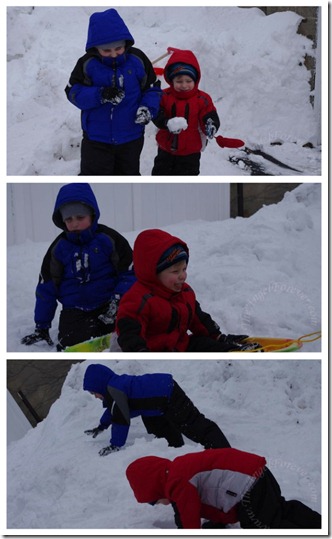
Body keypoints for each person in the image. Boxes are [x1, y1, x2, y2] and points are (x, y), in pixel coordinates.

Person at [21, 183, 136, 351]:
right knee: (71, 343)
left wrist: (119, 298)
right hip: (75, 309)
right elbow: (47, 287)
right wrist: (42, 326)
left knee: (126, 329)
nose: (74, 224)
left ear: (92, 214)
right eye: (69, 219)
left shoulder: (108, 239)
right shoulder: (58, 249)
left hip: (109, 304)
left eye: (80, 218)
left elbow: (129, 272)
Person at [115, 228, 261, 352]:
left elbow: (199, 319)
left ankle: (230, 351)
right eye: (175, 272)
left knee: (204, 343)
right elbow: (129, 333)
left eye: (184, 269)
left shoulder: (184, 292)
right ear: (153, 273)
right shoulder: (138, 299)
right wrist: (141, 354)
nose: (182, 276)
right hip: (155, 353)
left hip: (180, 347)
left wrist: (217, 336)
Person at [65, 8, 161, 175]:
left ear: (126, 43)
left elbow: (152, 89)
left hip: (131, 136)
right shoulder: (87, 64)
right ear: (95, 49)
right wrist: (100, 95)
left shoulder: (137, 60)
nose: (114, 54)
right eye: (106, 51)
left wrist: (147, 108)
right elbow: (73, 92)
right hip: (96, 138)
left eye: (118, 48)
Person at [126, 448, 321, 529]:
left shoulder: (178, 483)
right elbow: (190, 506)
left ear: (155, 488)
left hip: (247, 487)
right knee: (277, 509)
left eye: (154, 501)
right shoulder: (179, 470)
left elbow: (189, 513)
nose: (159, 504)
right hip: (257, 474)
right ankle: (317, 523)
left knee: (265, 527)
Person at [83, 363, 230, 455]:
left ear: (99, 385)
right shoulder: (116, 386)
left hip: (167, 395)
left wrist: (115, 445)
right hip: (157, 402)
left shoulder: (116, 390)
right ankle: (176, 451)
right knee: (158, 429)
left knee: (193, 425)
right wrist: (102, 426)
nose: (95, 396)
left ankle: (224, 453)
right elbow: (113, 411)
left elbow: (120, 420)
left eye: (93, 392)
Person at [151, 49, 220, 175]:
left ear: (196, 80)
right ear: (172, 81)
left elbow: (209, 114)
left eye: (188, 81)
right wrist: (166, 122)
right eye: (179, 81)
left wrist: (211, 124)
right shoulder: (164, 96)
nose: (184, 85)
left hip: (191, 151)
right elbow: (156, 114)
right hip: (166, 149)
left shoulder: (202, 99)